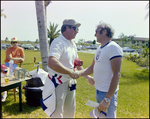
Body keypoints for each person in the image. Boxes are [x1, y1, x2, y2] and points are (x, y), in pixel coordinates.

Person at [40, 19, 93, 118]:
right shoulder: (58, 42)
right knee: (57, 113)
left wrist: (88, 78)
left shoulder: (72, 44)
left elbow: (76, 64)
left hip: (70, 83)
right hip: (58, 83)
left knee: (70, 111)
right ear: (67, 28)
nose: (77, 31)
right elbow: (52, 62)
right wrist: (70, 72)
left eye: (78, 29)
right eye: (75, 28)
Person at [77, 21, 123, 118]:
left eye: (96, 31)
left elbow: (117, 75)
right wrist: (78, 73)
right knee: (101, 116)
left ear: (104, 31)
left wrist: (107, 99)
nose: (94, 34)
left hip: (107, 93)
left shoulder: (113, 48)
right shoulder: (99, 48)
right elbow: (92, 68)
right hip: (99, 90)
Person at [1, 37, 25, 102]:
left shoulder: (21, 49)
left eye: (16, 42)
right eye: (13, 42)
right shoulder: (8, 49)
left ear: (18, 43)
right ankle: (4, 94)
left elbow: (23, 59)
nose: (15, 43)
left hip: (15, 65)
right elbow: (10, 58)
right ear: (11, 43)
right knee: (6, 76)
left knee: (20, 72)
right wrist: (19, 59)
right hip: (7, 64)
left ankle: (15, 86)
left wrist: (19, 59)